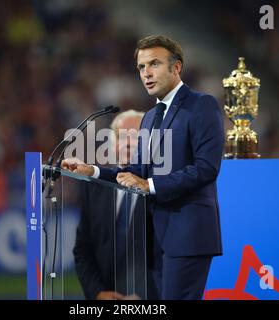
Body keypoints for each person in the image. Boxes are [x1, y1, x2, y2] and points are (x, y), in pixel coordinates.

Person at [63, 35, 224, 300]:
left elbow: (206, 168)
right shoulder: (149, 117)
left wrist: (149, 185)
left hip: (188, 235)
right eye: (141, 67)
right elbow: (135, 171)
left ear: (176, 67)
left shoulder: (201, 105)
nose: (146, 73)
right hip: (158, 241)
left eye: (154, 64)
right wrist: (91, 170)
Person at [74, 110, 157, 300]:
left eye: (134, 136)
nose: (127, 143)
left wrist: (145, 295)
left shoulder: (160, 187)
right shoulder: (95, 188)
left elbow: (168, 254)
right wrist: (97, 292)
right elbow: (83, 249)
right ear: (112, 144)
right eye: (121, 137)